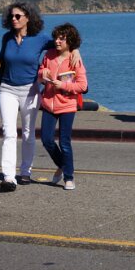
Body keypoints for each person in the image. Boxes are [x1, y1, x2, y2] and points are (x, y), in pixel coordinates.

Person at [0, 2, 81, 193]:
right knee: (8, 132)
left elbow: (63, 45)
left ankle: (25, 171)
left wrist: (76, 50)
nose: (13, 19)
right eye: (11, 16)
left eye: (18, 16)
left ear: (28, 18)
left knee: (27, 132)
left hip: (30, 90)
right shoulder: (7, 37)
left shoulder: (40, 39)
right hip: (7, 89)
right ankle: (8, 177)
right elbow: (2, 59)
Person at [38, 23, 88, 191]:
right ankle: (62, 165)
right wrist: (42, 73)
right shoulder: (49, 55)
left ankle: (69, 177)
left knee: (64, 142)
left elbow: (82, 86)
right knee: (46, 140)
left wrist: (63, 85)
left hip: (67, 106)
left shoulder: (75, 59)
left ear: (70, 41)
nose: (57, 41)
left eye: (62, 39)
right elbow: (40, 72)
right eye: (56, 38)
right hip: (48, 104)